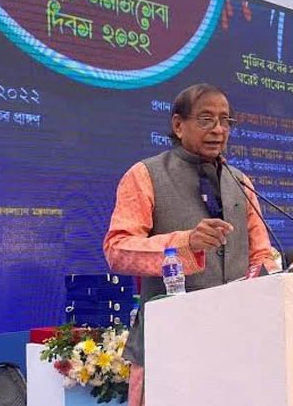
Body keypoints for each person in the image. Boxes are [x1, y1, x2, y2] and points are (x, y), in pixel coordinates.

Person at [103, 83, 276, 406]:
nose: (218, 129)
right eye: (206, 119)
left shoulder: (241, 181)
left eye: (225, 121)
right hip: (169, 344)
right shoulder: (144, 175)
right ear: (178, 125)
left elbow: (261, 254)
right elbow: (118, 249)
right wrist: (186, 243)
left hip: (239, 342)